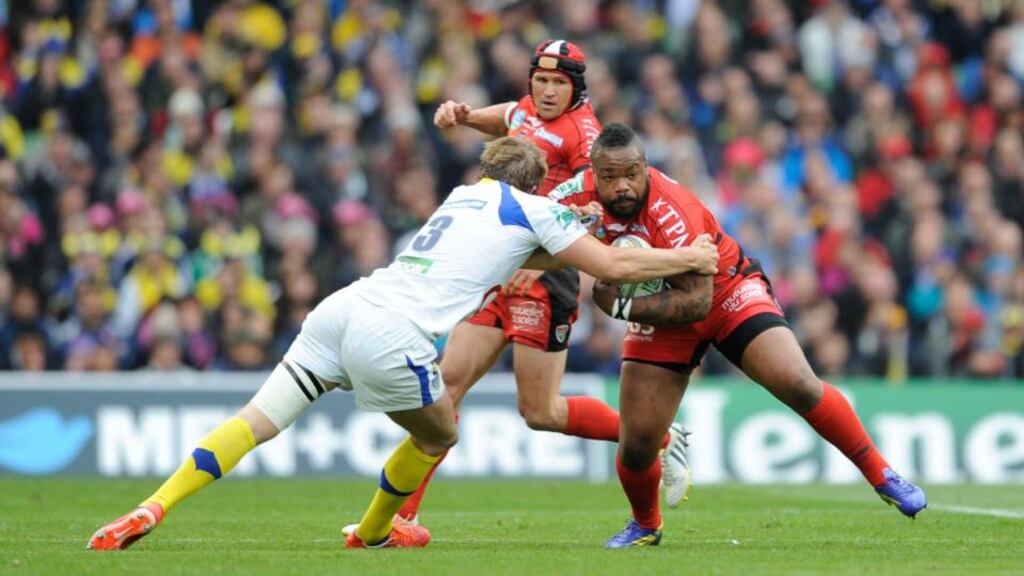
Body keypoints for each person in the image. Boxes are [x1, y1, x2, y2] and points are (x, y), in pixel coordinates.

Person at [87, 137, 720, 551]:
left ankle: (153, 505)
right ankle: (375, 532)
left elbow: (511, 249)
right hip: (393, 335)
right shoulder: (532, 208)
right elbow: (609, 269)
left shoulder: (460, 198)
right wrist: (687, 254)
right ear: (531, 185)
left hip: (343, 307)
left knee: (254, 422)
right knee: (439, 434)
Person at [550, 124, 926, 548]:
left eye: (631, 174)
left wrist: (621, 306)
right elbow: (530, 233)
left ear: (646, 168)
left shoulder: (676, 211)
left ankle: (882, 474)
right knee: (637, 444)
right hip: (659, 313)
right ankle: (646, 524)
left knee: (799, 383)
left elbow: (696, 302)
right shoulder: (570, 198)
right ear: (593, 172)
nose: (622, 186)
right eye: (610, 176)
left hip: (724, 291)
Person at [393, 38, 691, 529]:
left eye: (559, 83)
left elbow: (593, 209)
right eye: (542, 79)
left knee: (540, 411)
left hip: (545, 275)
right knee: (447, 386)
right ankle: (402, 517)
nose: (548, 91)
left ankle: (659, 435)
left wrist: (544, 261)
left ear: (576, 88)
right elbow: (511, 116)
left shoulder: (585, 135)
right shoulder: (529, 108)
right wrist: (466, 116)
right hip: (498, 266)